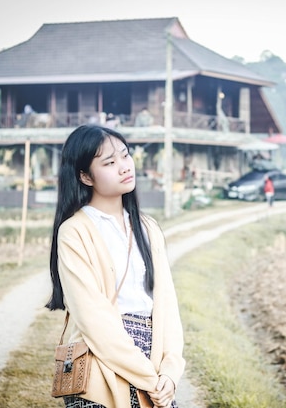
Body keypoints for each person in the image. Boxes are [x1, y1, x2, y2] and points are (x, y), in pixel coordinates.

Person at [46, 124, 184, 408]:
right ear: (85, 176)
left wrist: (169, 373)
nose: (124, 167)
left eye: (125, 155)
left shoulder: (148, 228)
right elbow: (93, 318)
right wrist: (149, 377)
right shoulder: (75, 232)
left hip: (154, 361)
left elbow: (167, 306)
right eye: (109, 162)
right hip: (101, 365)